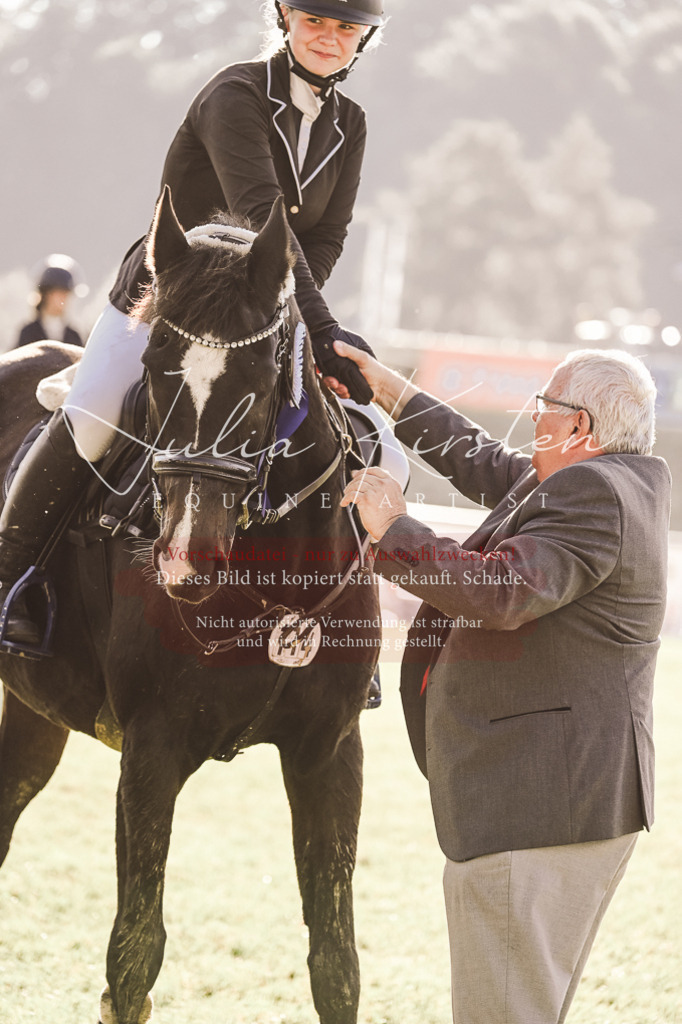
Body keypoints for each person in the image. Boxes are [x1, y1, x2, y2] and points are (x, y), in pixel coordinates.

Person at [0, 0, 385, 651]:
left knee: (363, 435)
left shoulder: (351, 123)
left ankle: (338, 630)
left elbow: (328, 237)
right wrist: (324, 332)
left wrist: (298, 315)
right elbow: (261, 211)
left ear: (363, 40)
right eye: (315, 21)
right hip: (168, 297)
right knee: (92, 416)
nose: (329, 38)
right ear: (285, 17)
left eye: (346, 28)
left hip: (262, 314)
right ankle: (12, 577)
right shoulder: (234, 94)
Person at [338, 341, 671, 1024]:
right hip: (561, 799)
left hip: (537, 806)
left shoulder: (592, 494)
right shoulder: (604, 481)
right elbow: (483, 460)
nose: (531, 414)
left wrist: (392, 526)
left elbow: (501, 592)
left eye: (543, 404)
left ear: (578, 425)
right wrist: (389, 390)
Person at [15, 255, 85, 348]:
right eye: (60, 292)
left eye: (67, 293)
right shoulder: (29, 333)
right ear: (46, 294)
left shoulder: (74, 335)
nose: (64, 298)